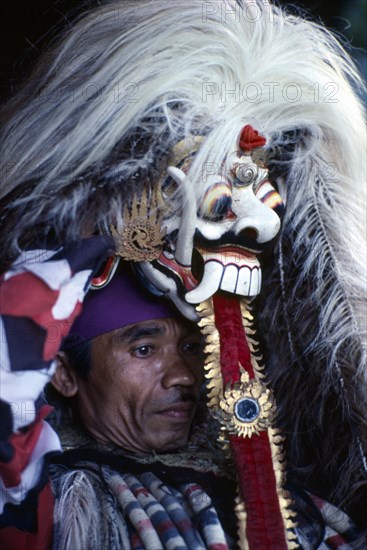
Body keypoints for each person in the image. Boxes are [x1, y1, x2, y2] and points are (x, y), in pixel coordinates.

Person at [0, 0, 366, 548]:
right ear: (65, 375)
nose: (182, 376)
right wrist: (100, 191)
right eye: (143, 349)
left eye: (193, 348)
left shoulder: (298, 501)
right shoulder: (48, 499)